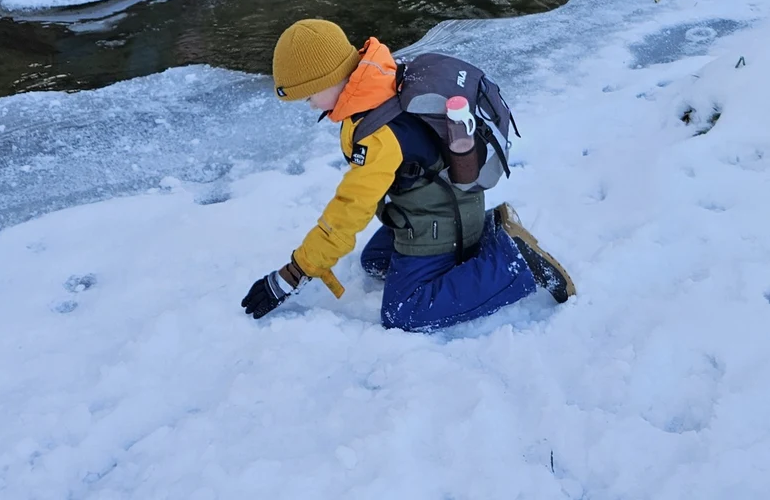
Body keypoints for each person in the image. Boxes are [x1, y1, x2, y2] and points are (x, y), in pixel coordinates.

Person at [239, 19, 575, 332]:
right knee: (374, 261)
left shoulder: (377, 134)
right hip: (445, 201)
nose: (311, 106)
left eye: (309, 95)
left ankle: (514, 264)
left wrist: (294, 272)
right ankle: (487, 231)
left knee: (402, 311)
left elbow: (348, 213)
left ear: (327, 77)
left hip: (441, 217)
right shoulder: (376, 76)